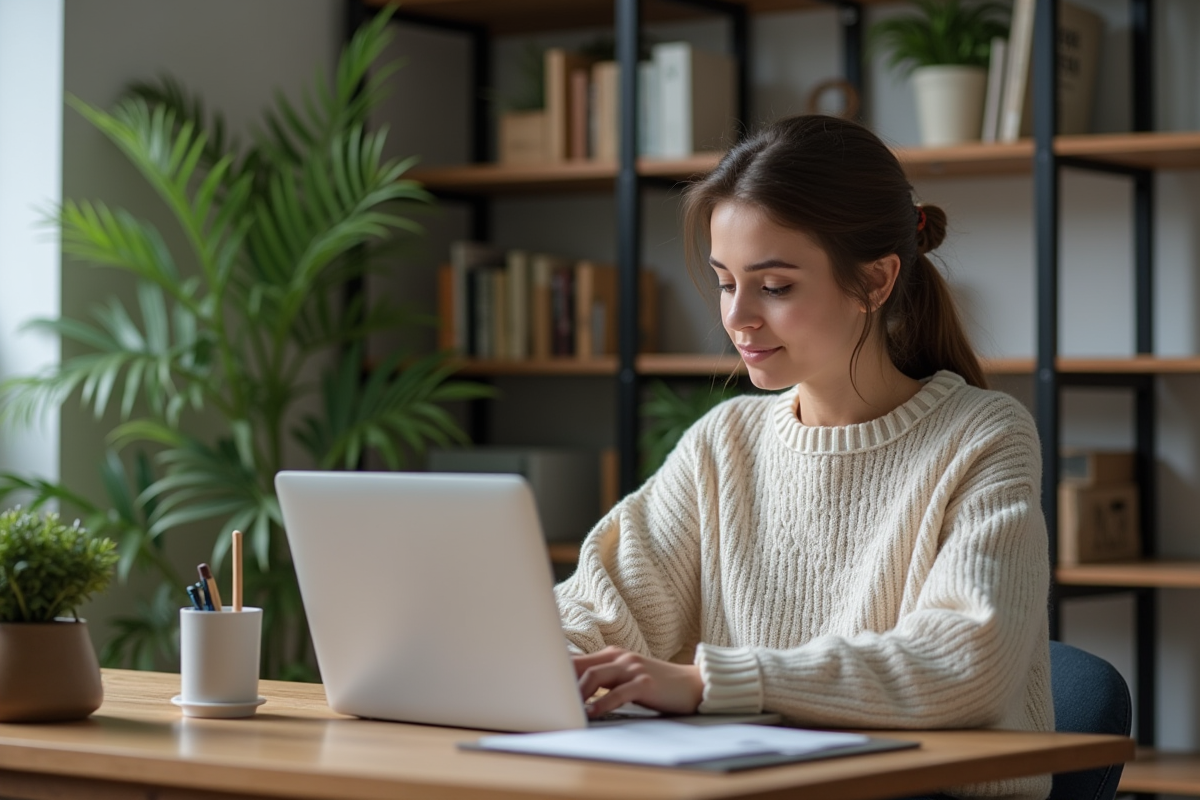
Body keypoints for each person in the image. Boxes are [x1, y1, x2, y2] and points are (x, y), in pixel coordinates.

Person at [554, 115, 1052, 800]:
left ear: (875, 282)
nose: (737, 317)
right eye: (726, 281)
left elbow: (966, 662)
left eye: (775, 286)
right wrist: (542, 659)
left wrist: (711, 684)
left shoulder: (983, 435)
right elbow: (597, 608)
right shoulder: (724, 442)